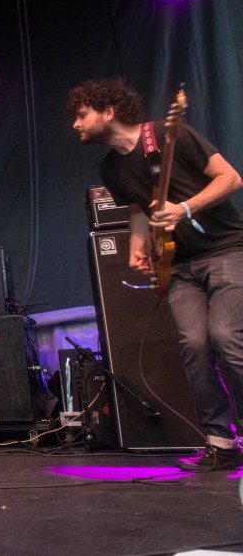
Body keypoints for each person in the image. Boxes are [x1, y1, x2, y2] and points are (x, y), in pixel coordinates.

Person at [68, 78, 243, 471]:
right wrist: (135, 246)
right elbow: (137, 208)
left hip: (227, 249)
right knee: (194, 347)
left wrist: (184, 209)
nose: (75, 124)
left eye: (82, 115)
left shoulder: (167, 134)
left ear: (108, 112)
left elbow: (231, 179)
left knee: (227, 337)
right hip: (178, 265)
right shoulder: (110, 168)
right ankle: (221, 442)